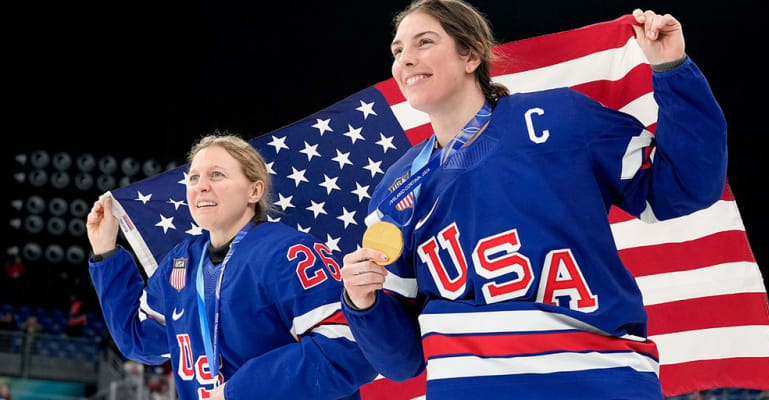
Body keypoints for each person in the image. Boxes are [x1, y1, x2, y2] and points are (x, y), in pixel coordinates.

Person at [340, 1, 727, 399]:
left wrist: (671, 68)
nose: (405, 59)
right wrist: (362, 302)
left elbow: (685, 186)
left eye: (424, 42)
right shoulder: (395, 192)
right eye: (398, 50)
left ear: (471, 55)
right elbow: (402, 362)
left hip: (598, 380)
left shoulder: (560, 119)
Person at [86, 134, 376, 400]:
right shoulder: (180, 263)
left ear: (254, 191)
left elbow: (348, 352)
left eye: (217, 174)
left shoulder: (290, 253)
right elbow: (139, 341)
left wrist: (237, 391)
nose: (201, 186)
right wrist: (105, 251)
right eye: (193, 177)